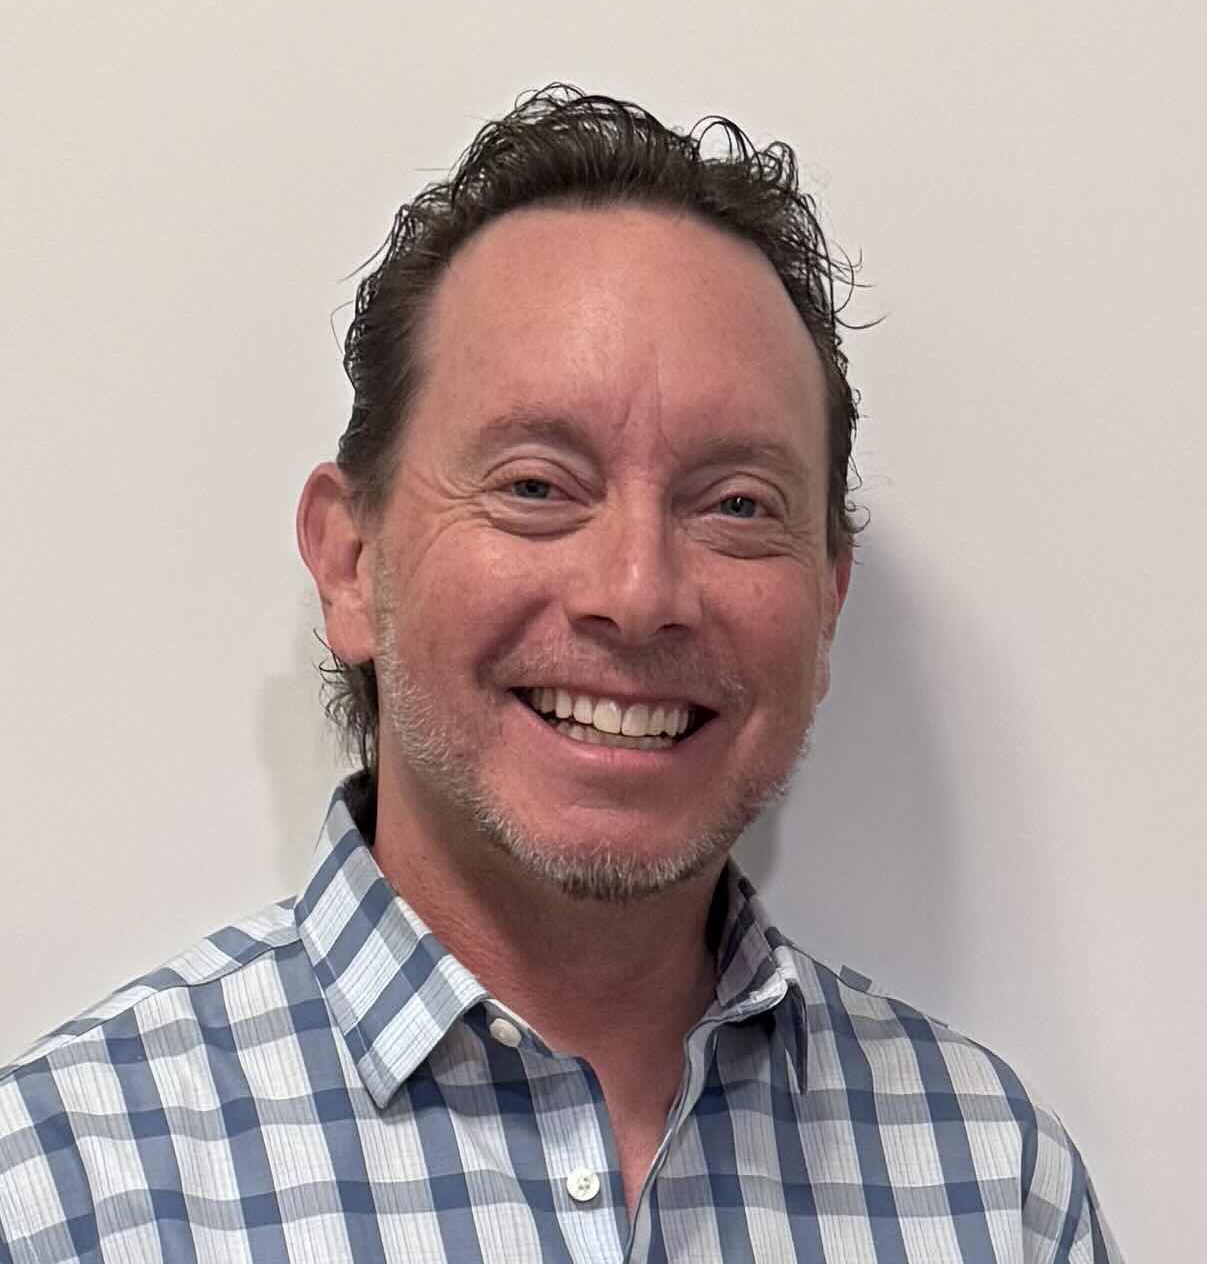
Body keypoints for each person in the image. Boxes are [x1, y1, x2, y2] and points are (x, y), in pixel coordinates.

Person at [0, 85, 1121, 1263]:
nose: (636, 591)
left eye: (738, 505)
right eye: (536, 485)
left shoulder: (992, 1186)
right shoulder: (66, 1196)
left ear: (825, 601)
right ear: (351, 562)